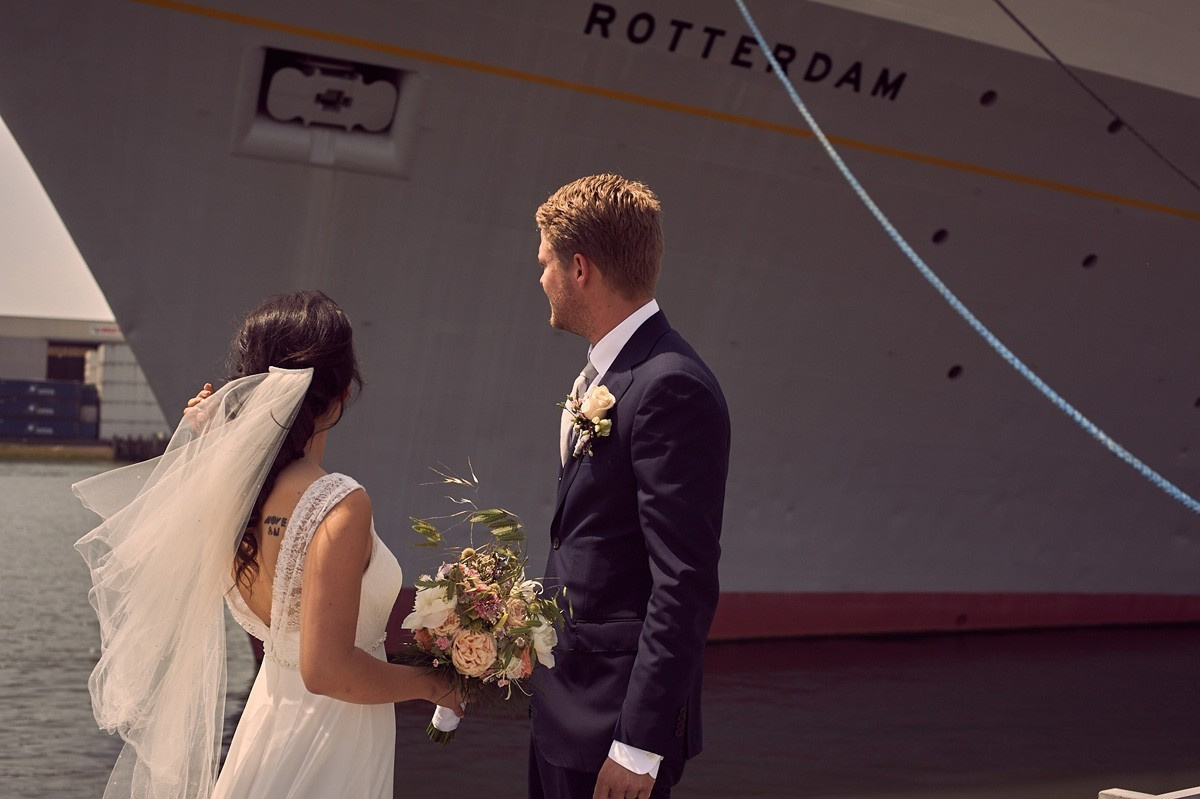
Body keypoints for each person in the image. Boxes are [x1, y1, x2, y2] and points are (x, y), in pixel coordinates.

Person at [74, 290, 460, 799]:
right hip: (333, 739)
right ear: (343, 390)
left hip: (268, 723)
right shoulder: (339, 503)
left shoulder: (227, 496)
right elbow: (327, 671)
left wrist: (215, 440)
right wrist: (436, 685)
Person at [530, 175, 731, 799]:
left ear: (580, 268)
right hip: (562, 708)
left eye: (545, 263)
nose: (541, 278)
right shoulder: (607, 373)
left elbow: (684, 579)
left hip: (613, 730)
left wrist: (639, 743)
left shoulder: (670, 385)